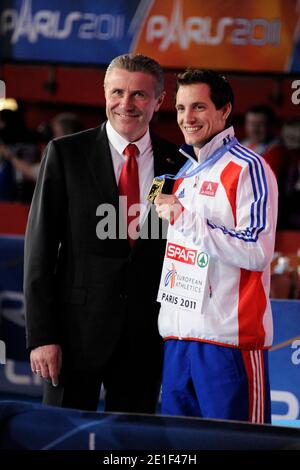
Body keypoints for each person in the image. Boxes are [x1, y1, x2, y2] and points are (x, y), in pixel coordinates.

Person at [24, 54, 185, 413]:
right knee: (62, 440)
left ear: (159, 101)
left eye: (139, 95)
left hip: (146, 339)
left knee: (132, 443)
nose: (126, 104)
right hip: (73, 336)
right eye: (117, 92)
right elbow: (39, 251)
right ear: (105, 94)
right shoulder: (66, 154)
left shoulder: (177, 163)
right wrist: (42, 336)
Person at [154, 69, 278, 423]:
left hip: (228, 342)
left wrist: (184, 218)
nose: (186, 118)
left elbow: (257, 251)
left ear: (225, 111)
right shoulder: (180, 175)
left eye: (198, 107)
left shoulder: (249, 167)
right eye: (180, 108)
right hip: (178, 338)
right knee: (182, 451)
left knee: (241, 448)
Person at [242, 104, 286, 181]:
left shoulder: (276, 151)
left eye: (261, 124)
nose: (255, 129)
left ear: (271, 126)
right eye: (251, 124)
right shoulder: (242, 144)